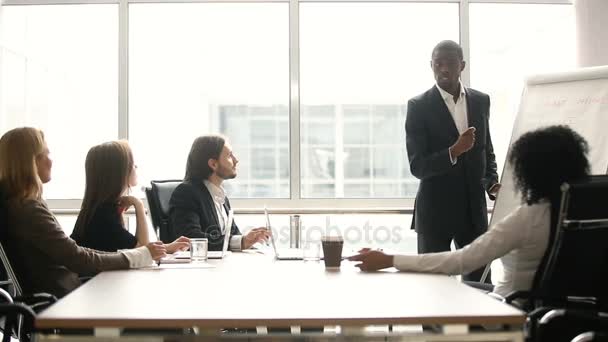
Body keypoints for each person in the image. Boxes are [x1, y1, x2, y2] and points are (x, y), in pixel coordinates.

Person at [349, 125, 590, 297]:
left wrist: (390, 259)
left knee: (438, 290)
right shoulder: (586, 214)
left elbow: (461, 261)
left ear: (530, 172)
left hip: (508, 313)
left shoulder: (528, 218)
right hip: (558, 314)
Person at [0, 127, 167, 298]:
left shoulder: (21, 206)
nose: (51, 161)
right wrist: (141, 255)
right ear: (32, 161)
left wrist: (140, 254)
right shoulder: (29, 211)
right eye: (47, 153)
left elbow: (77, 252)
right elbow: (78, 259)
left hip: (69, 296)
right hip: (65, 304)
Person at [405, 40, 500, 281]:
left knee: (479, 285)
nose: (444, 69)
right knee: (433, 288)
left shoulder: (481, 101)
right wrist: (453, 152)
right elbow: (418, 166)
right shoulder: (418, 106)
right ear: (431, 66)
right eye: (438, 64)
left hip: (473, 211)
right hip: (436, 211)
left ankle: (477, 321)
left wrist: (491, 182)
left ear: (462, 66)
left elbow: (485, 150)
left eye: (450, 63)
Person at [71, 141, 189, 253]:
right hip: (98, 275)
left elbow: (134, 249)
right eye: (132, 164)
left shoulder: (101, 208)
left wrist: (168, 247)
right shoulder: (103, 215)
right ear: (119, 171)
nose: (136, 166)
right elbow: (142, 251)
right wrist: (138, 204)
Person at [169, 135, 269, 251]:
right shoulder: (186, 193)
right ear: (213, 164)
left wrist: (251, 240)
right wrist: (241, 242)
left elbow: (232, 235)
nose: (236, 160)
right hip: (200, 267)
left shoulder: (220, 196)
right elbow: (192, 238)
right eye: (229, 156)